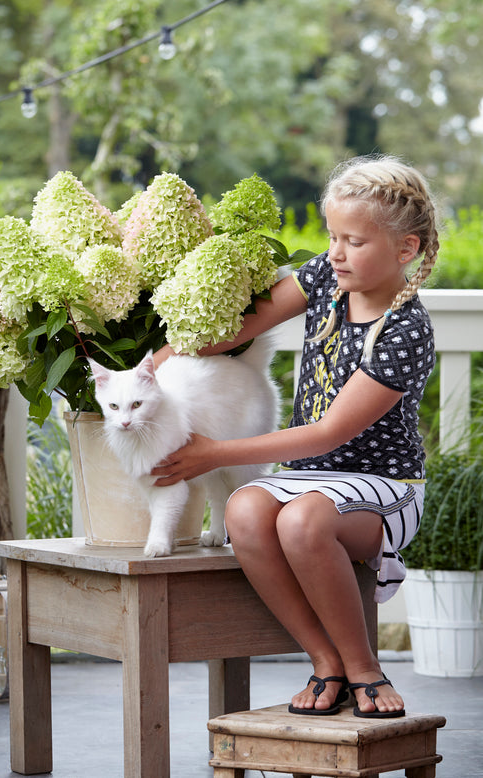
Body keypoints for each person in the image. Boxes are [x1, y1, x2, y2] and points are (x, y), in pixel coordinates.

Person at [151, 155, 439, 718]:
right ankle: (324, 660)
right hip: (312, 481)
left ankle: (364, 670)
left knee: (302, 519)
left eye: (354, 241)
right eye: (333, 236)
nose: (335, 252)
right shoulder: (326, 279)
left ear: (406, 249)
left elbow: (328, 433)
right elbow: (237, 330)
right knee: (244, 511)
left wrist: (212, 454)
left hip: (386, 487)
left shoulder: (406, 330)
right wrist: (152, 365)